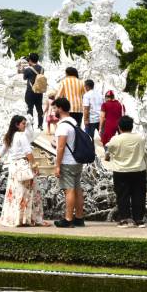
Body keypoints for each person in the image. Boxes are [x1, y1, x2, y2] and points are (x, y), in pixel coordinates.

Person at [0, 115, 48, 227]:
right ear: (17, 125)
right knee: (30, 193)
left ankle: (15, 219)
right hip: (23, 166)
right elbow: (28, 152)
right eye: (23, 123)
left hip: (14, 167)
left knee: (14, 193)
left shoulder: (10, 137)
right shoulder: (21, 136)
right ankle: (30, 219)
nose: (25, 126)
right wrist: (35, 166)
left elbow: (1, 152)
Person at [104, 115, 147, 228]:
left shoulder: (116, 139)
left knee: (122, 195)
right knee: (139, 195)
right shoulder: (140, 138)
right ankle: (139, 220)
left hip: (121, 171)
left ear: (119, 127)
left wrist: (108, 156)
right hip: (138, 170)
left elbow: (108, 150)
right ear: (132, 126)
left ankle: (124, 219)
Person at [52, 97, 85, 228]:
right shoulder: (74, 123)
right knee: (77, 190)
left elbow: (61, 147)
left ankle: (68, 219)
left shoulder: (63, 126)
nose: (54, 110)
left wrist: (57, 165)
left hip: (67, 162)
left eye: (55, 108)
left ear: (60, 108)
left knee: (69, 191)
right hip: (77, 161)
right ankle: (79, 217)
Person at [22, 53, 45, 130]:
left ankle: (30, 126)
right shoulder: (42, 69)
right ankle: (40, 125)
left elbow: (24, 78)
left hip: (30, 92)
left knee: (30, 108)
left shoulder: (28, 69)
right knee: (39, 109)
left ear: (30, 60)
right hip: (39, 92)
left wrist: (23, 69)